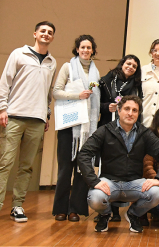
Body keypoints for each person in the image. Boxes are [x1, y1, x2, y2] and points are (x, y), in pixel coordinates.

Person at [0, 21, 56, 226]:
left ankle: (17, 206)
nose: (46, 34)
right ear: (35, 34)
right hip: (13, 116)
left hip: (37, 120)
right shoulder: (18, 54)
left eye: (50, 33)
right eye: (43, 31)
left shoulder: (52, 62)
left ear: (52, 37)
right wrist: (1, 108)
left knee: (26, 166)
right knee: (4, 163)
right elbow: (5, 81)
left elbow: (48, 93)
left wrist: (46, 114)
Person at [77, 95, 159, 233]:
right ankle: (105, 214)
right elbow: (84, 154)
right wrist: (94, 181)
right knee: (95, 198)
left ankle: (133, 214)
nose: (130, 113)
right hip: (109, 183)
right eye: (127, 109)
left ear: (138, 114)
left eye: (134, 110)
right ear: (119, 111)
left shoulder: (144, 133)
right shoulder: (105, 130)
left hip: (134, 183)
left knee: (156, 194)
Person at [52, 35, 100, 222]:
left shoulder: (96, 72)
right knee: (65, 169)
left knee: (82, 170)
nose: (86, 50)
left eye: (89, 47)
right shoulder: (67, 67)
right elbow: (56, 92)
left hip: (88, 129)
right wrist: (77, 95)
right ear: (77, 49)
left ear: (93, 50)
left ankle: (75, 209)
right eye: (83, 47)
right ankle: (60, 209)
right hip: (69, 127)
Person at [94, 54, 142, 222]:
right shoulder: (107, 80)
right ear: (122, 64)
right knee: (106, 167)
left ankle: (117, 211)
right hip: (108, 127)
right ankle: (105, 209)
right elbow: (96, 104)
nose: (131, 67)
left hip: (128, 130)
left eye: (134, 66)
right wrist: (109, 107)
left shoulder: (136, 85)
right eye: (128, 63)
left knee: (121, 166)